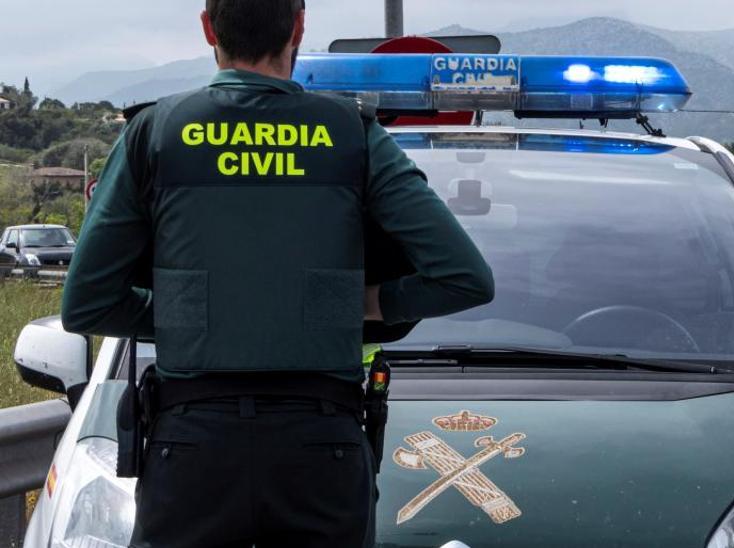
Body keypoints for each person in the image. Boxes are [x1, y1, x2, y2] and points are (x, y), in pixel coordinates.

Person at [60, 1, 495, 545]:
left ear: (207, 28)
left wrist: (194, 315)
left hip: (192, 448)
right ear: (298, 27)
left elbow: (86, 304)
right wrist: (364, 305)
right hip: (321, 447)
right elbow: (465, 278)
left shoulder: (156, 133)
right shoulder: (352, 135)